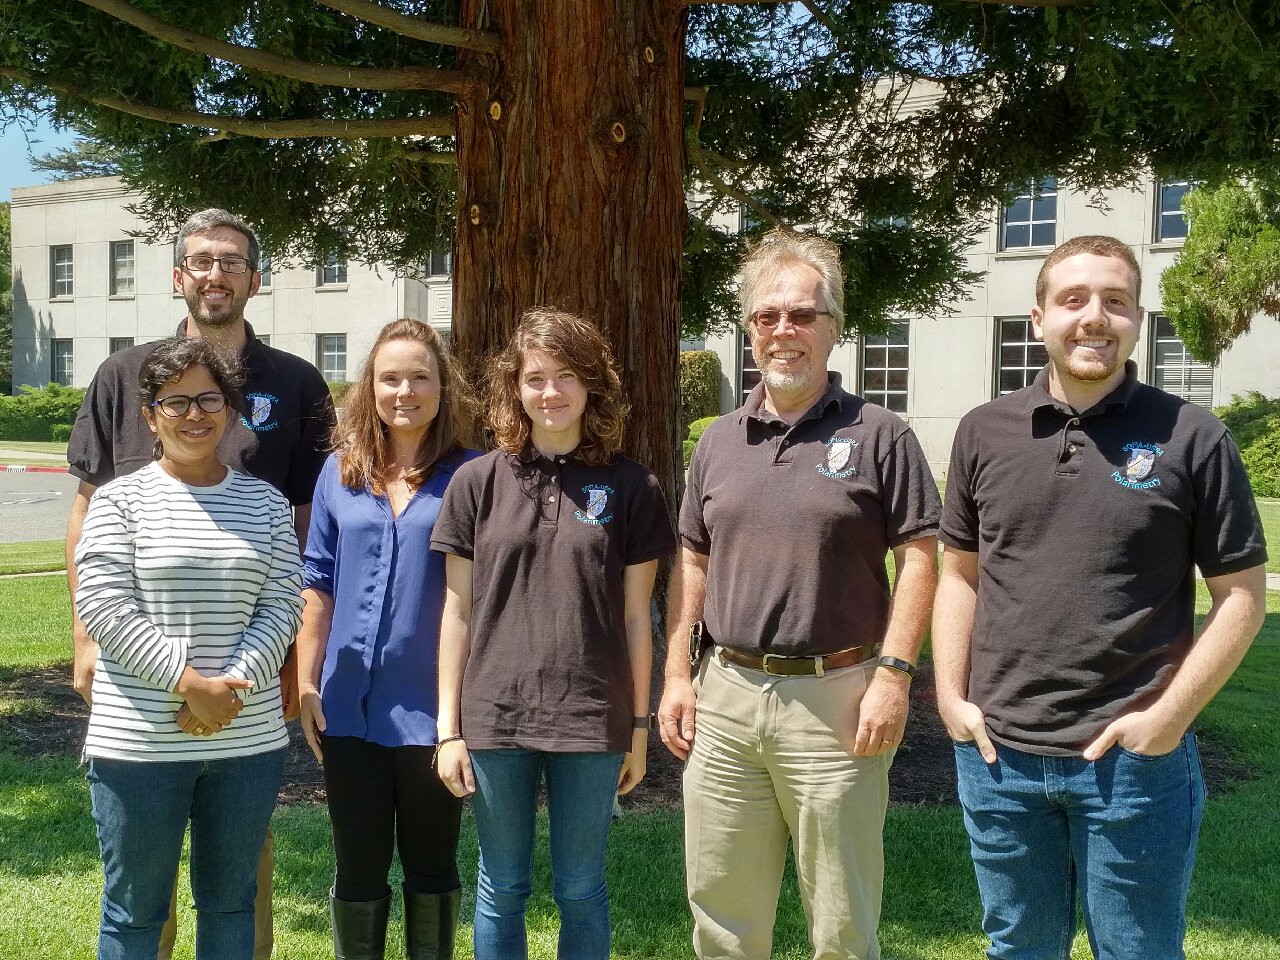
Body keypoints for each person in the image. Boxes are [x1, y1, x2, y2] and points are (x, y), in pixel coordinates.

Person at [932, 234, 1268, 960]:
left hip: (1133, 764)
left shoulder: (1193, 437)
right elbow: (957, 572)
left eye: (1115, 301)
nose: (1094, 317)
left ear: (1138, 321)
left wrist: (1168, 719)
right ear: (1038, 318)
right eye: (1074, 299)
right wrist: (950, 700)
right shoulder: (982, 432)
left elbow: (1242, 596)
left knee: (1138, 951)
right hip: (999, 759)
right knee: (1017, 947)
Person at [657, 230, 941, 960]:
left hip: (837, 701)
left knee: (843, 925)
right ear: (750, 329)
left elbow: (920, 557)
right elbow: (693, 558)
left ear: (834, 328)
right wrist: (678, 675)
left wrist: (895, 675)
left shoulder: (881, 436)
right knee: (721, 918)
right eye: (767, 316)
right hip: (726, 700)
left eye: (803, 315)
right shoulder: (717, 440)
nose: (785, 330)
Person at [65, 208, 334, 960]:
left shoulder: (298, 382)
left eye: (232, 261)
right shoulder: (122, 376)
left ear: (254, 277)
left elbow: (307, 534)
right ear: (178, 276)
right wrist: (85, 639)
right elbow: (87, 516)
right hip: (139, 687)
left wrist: (287, 655)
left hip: (250, 677)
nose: (216, 274)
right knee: (139, 901)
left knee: (239, 881)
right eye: (201, 261)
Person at [432, 307, 674, 960]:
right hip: (496, 716)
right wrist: (448, 729)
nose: (551, 392)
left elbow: (636, 618)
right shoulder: (476, 482)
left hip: (592, 718)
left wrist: (640, 727)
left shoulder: (632, 486)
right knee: (501, 885)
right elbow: (456, 612)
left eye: (567, 376)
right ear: (515, 388)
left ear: (593, 386)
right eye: (535, 378)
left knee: (579, 886)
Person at [296, 319, 478, 960]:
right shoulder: (337, 473)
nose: (405, 390)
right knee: (358, 869)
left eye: (420, 377)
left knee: (432, 868)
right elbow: (317, 581)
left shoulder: (473, 475)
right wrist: (306, 682)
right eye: (390, 377)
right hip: (348, 708)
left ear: (441, 386)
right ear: (369, 386)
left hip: (434, 711)